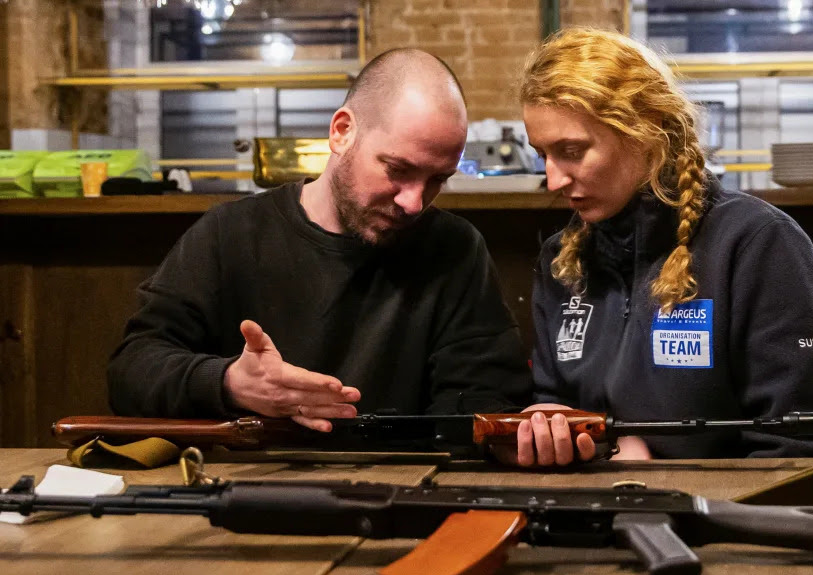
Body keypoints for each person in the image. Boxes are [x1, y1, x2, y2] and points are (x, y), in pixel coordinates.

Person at [107, 48, 532, 430]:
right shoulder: (230, 234)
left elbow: (487, 399)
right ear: (342, 131)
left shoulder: (453, 249)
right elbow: (131, 371)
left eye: (438, 179)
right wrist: (228, 384)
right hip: (247, 489)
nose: (415, 202)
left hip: (401, 492)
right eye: (398, 170)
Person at [509, 28, 813, 466]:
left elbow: (802, 451)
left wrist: (660, 478)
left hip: (715, 522)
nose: (553, 180)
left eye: (572, 150)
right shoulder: (561, 256)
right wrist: (545, 424)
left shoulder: (757, 243)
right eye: (542, 155)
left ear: (645, 131)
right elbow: (555, 400)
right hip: (594, 516)